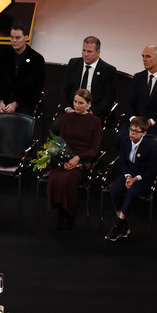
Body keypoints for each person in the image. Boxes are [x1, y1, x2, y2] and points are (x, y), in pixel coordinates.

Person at [0, 22, 46, 133]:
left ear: (26, 37)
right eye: (12, 37)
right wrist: (0, 102)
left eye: (18, 38)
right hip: (3, 101)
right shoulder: (4, 56)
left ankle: (13, 147)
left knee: (18, 125)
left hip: (24, 103)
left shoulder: (37, 59)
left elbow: (36, 88)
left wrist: (16, 103)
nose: (14, 40)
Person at [47, 89, 101, 229]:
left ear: (89, 104)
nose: (77, 106)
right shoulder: (67, 118)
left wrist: (78, 158)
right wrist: (64, 160)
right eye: (75, 102)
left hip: (82, 160)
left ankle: (70, 212)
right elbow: (62, 141)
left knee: (67, 179)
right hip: (66, 157)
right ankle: (60, 211)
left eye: (81, 103)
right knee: (55, 177)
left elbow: (94, 149)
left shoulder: (95, 121)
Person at [104, 117, 157, 242]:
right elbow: (123, 161)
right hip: (129, 174)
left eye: (136, 131)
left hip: (143, 177)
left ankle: (117, 226)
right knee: (114, 190)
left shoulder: (150, 146)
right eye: (130, 130)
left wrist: (135, 179)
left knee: (132, 192)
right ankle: (123, 225)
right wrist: (128, 176)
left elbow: (152, 170)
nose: (132, 133)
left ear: (144, 133)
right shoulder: (125, 141)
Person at [55, 36, 116, 127]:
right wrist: (68, 108)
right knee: (55, 127)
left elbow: (108, 99)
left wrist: (91, 112)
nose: (86, 54)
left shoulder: (108, 71)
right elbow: (64, 89)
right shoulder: (74, 64)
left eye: (90, 51)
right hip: (72, 111)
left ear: (98, 52)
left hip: (93, 113)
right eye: (84, 50)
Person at [122, 44, 157, 139]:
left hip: (155, 125)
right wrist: (133, 119)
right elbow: (129, 103)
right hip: (134, 123)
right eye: (143, 56)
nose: (144, 59)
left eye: (148, 56)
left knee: (148, 143)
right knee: (120, 137)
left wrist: (150, 122)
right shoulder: (137, 78)